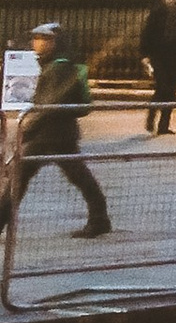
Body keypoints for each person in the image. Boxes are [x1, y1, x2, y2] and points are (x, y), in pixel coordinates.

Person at [4, 24, 111, 238]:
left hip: (50, 134)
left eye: (43, 38)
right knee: (79, 176)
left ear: (54, 43)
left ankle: (100, 218)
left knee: (19, 179)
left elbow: (50, 104)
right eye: (35, 38)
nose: (37, 42)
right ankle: (100, 218)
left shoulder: (59, 68)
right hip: (59, 133)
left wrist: (27, 126)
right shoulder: (55, 64)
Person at [139, 0, 176, 136]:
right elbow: (146, 34)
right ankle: (151, 115)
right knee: (162, 86)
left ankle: (164, 125)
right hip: (159, 55)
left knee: (172, 90)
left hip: (175, 56)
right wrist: (145, 55)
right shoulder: (156, 12)